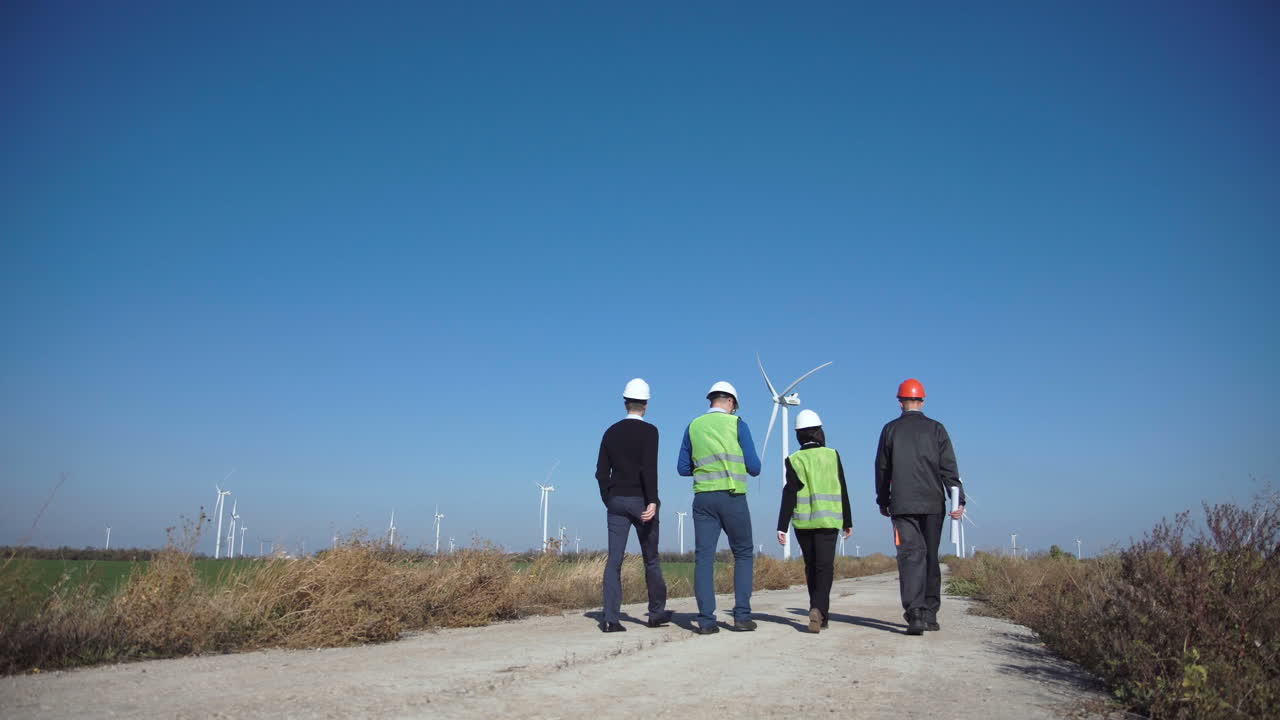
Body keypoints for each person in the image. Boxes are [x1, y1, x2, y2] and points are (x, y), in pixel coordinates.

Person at [874, 378, 964, 635]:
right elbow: (949, 468)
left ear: (900, 401)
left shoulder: (889, 430)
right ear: (922, 400)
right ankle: (930, 615)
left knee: (911, 557)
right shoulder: (937, 429)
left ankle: (914, 613)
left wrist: (882, 500)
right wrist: (959, 500)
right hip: (933, 504)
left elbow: (882, 469)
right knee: (931, 557)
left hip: (901, 505)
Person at [677, 381, 762, 634]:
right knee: (744, 553)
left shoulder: (693, 426)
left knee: (704, 558)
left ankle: (705, 621)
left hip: (703, 499)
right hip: (732, 496)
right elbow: (755, 467)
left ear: (711, 400)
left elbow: (682, 468)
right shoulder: (737, 424)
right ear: (731, 402)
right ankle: (742, 617)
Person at [596, 378, 671, 632]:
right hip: (641, 501)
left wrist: (609, 498)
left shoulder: (610, 432)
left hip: (616, 500)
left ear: (625, 402)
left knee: (614, 561)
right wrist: (653, 500)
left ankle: (610, 618)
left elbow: (600, 472)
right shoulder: (650, 432)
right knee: (651, 559)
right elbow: (649, 469)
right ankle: (656, 614)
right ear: (646, 404)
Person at [775, 409, 852, 633]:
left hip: (803, 523)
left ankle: (815, 609)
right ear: (819, 432)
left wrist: (782, 525)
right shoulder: (832, 455)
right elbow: (842, 487)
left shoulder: (793, 460)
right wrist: (848, 520)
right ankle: (819, 611)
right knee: (824, 568)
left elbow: (789, 492)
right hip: (829, 522)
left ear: (798, 435)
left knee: (811, 567)